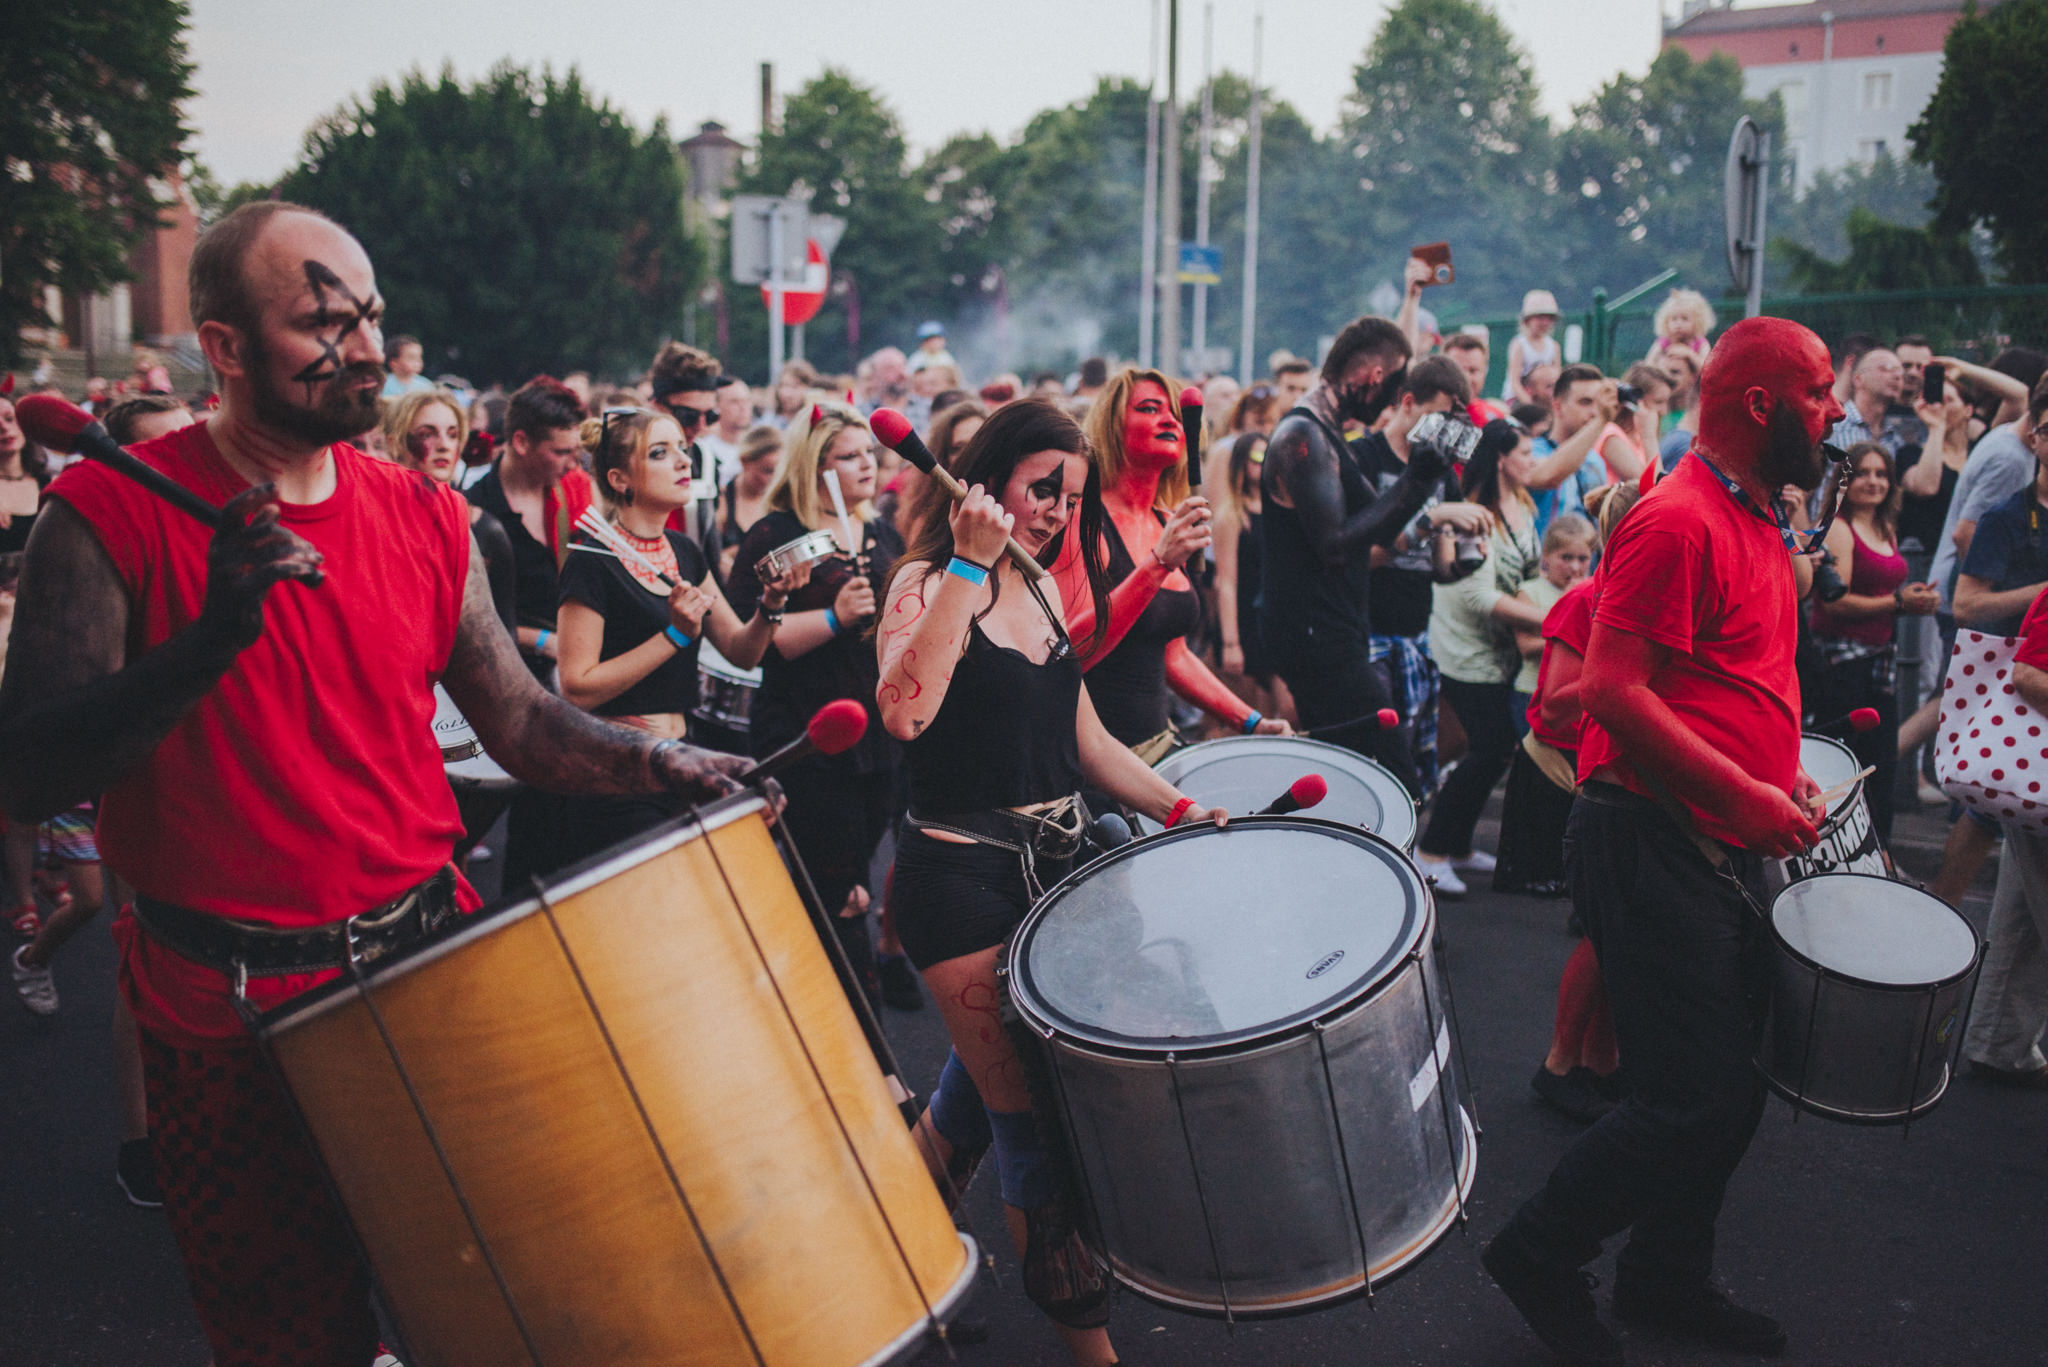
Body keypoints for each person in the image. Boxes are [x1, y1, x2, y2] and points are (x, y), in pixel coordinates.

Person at [0, 200, 749, 1367]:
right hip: (226, 1013)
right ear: (227, 344)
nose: (361, 346)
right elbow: (31, 764)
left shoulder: (425, 514)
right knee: (289, 1332)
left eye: (371, 319)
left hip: (426, 970)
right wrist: (209, 634)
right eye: (320, 321)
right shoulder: (102, 512)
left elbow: (516, 717)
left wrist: (662, 760)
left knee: (499, 1298)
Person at [1484, 315, 1844, 1366]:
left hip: (1713, 834)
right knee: (1687, 1095)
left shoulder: (1756, 518)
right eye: (1819, 392)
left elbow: (1737, 682)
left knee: (1725, 1087)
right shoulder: (1675, 518)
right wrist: (1745, 785)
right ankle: (1538, 1252)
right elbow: (1609, 687)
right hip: (1645, 834)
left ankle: (1662, 1273)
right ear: (1761, 403)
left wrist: (1776, 773)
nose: (1834, 412)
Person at [876, 398, 1225, 1367]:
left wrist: (1183, 809)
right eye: (1040, 490)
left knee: (968, 1093)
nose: (1052, 513)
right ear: (986, 484)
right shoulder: (922, 580)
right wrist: (963, 566)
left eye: (1069, 498)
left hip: (1052, 871)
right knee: (1030, 1121)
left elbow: (1086, 738)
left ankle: (889, 1247)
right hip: (957, 883)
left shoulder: (1037, 593)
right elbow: (902, 714)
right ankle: (1091, 1351)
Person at [554, 407, 801, 863]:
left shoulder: (684, 552)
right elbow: (576, 687)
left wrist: (771, 604)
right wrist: (675, 636)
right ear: (620, 478)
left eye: (683, 451)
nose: (684, 462)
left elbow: (741, 651)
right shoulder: (592, 560)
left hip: (680, 757)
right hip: (618, 770)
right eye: (661, 453)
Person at [727, 401, 902, 1001]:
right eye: (848, 456)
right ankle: (847, 1027)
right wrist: (833, 616)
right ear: (814, 464)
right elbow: (754, 645)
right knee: (834, 896)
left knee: (856, 881)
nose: (866, 467)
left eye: (870, 455)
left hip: (875, 732)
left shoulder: (876, 529)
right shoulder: (778, 534)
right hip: (808, 730)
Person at [1050, 368, 1288, 757]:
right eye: (1149, 408)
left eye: (1177, 415)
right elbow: (1072, 651)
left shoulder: (1165, 521)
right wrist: (1158, 564)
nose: (1169, 420)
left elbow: (1174, 655)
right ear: (1113, 425)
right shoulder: (1083, 518)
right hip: (1092, 761)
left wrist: (1252, 721)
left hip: (1156, 748)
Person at [1259, 315, 1452, 792]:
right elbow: (1335, 545)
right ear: (1373, 377)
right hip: (1314, 636)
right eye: (1394, 389)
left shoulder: (1328, 434)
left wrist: (1423, 474)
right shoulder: (1301, 437)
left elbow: (1377, 525)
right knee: (1392, 775)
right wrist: (1416, 483)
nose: (1391, 404)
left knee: (1347, 774)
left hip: (1336, 630)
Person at [1511, 491, 1638, 1118]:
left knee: (1624, 933)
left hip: (1620, 772)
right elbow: (1556, 704)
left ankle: (1598, 1064)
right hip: (1575, 774)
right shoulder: (1585, 601)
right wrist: (1628, 683)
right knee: (1604, 929)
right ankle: (1561, 1064)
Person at [1353, 356, 1495, 803]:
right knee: (1373, 772)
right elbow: (1359, 558)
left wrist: (1470, 554)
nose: (1445, 431)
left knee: (1408, 779)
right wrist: (1430, 520)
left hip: (1416, 638)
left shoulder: (1436, 468)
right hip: (1366, 639)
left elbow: (1440, 567)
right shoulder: (1363, 457)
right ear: (1408, 402)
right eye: (1440, 417)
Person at [1415, 419, 1548, 892]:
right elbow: (1477, 597)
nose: (1534, 462)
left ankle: (1458, 845)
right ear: (1500, 459)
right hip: (1465, 648)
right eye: (1526, 453)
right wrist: (1552, 623)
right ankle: (1430, 850)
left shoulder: (1523, 506)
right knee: (1489, 747)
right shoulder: (1474, 515)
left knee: (1492, 751)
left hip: (1500, 650)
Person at [1805, 443, 1936, 845]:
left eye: (1881, 474)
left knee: (1881, 764)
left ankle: (1881, 850)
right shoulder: (1841, 528)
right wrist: (1898, 603)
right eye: (1863, 473)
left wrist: (1907, 597)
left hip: (1879, 659)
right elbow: (1835, 600)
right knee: (1850, 762)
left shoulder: (1884, 528)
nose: (1874, 481)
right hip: (1843, 663)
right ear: (1845, 481)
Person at [1963, 582, 2048, 1086]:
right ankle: (2001, 1043)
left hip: (2035, 782)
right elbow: (2028, 674)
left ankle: (2001, 1044)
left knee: (2023, 912)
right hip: (2038, 778)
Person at [1210, 431, 1293, 729]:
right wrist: (1231, 642)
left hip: (1274, 620)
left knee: (1287, 710)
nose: (1264, 462)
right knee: (1247, 720)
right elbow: (1225, 581)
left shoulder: (1280, 508)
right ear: (1240, 464)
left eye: (1268, 455)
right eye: (1256, 457)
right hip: (1243, 621)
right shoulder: (1231, 515)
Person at [1504, 290, 1562, 404]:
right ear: (1527, 320)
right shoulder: (1520, 344)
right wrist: (1528, 402)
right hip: (1518, 399)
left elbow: (1557, 376)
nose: (1545, 322)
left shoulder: (1553, 346)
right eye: (1540, 317)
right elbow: (1514, 380)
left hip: (1545, 399)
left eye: (1549, 318)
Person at [698, 373, 754, 488]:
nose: (743, 407)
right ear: (716, 406)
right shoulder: (705, 449)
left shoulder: (758, 447)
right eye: (734, 402)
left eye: (747, 400)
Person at [1443, 332, 1507, 425]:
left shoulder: (1494, 418)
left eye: (1473, 371)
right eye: (1458, 370)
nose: (1466, 378)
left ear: (1484, 373)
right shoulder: (1429, 416)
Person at [1644, 289, 1715, 368]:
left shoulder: (1700, 343)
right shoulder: (1664, 341)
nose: (1678, 324)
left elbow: (1707, 368)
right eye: (1674, 319)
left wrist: (1689, 354)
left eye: (1685, 319)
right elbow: (1649, 363)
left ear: (1698, 322)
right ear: (1666, 322)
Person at [379, 333, 433, 398]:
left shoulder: (426, 385)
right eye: (411, 357)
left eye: (419, 357)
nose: (418, 361)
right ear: (394, 363)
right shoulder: (383, 385)